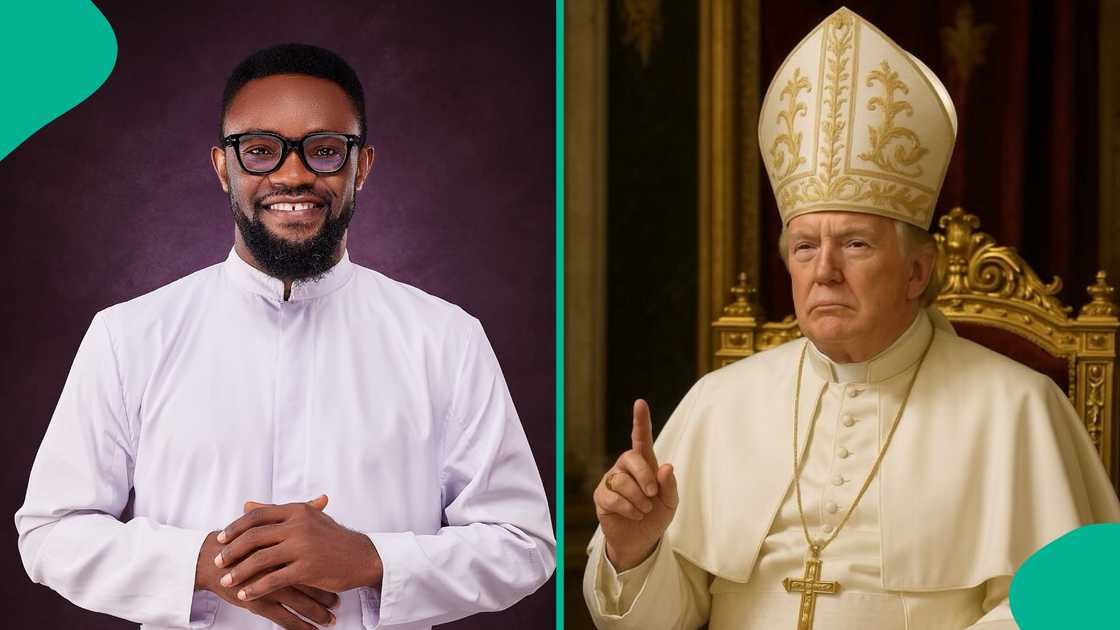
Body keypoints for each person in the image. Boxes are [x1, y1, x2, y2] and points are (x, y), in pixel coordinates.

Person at [583, 8, 1119, 630]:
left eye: (857, 245)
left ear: (919, 272)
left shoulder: (1019, 407)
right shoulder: (720, 401)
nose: (825, 270)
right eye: (805, 247)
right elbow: (663, 621)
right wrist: (637, 549)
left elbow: (1070, 606)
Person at [15, 43, 554, 630]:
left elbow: (523, 543)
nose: (293, 173)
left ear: (362, 166)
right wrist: (199, 563)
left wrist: (375, 559)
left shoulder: (447, 340)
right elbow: (51, 532)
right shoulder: (129, 337)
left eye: (325, 151)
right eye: (261, 150)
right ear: (224, 166)